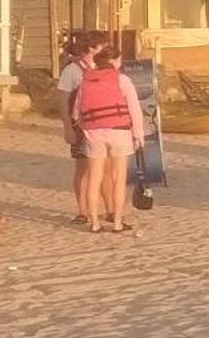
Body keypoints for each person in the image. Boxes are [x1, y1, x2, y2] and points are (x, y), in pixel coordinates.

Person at [75, 46, 145, 234]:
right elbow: (134, 109)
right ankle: (117, 223)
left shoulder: (85, 81)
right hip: (119, 132)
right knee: (118, 179)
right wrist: (139, 135)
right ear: (113, 62)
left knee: (94, 179)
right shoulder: (122, 80)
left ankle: (95, 223)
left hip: (94, 133)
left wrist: (87, 128)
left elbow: (77, 113)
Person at [57, 31, 103, 225]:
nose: (104, 50)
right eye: (102, 46)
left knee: (105, 168)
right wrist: (67, 127)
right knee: (83, 168)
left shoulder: (103, 66)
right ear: (91, 48)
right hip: (80, 124)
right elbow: (62, 99)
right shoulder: (72, 70)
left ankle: (106, 208)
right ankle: (82, 210)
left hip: (102, 122)